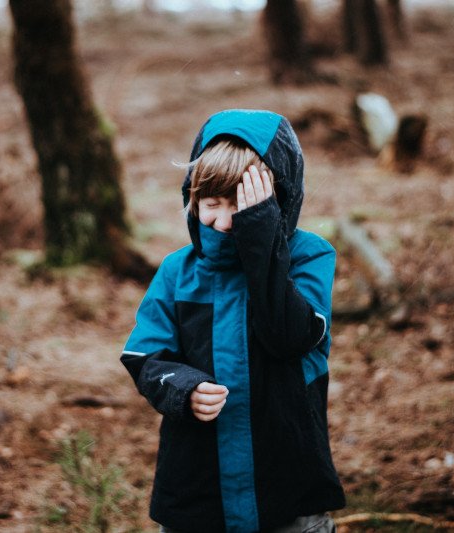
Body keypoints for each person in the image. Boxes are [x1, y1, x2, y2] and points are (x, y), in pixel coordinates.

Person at [120, 109, 345, 533]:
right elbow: (144, 354)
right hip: (196, 489)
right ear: (192, 200)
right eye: (211, 205)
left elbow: (290, 337)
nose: (224, 223)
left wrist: (261, 240)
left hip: (286, 482)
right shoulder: (177, 271)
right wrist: (182, 389)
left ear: (280, 200)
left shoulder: (310, 257)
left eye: (241, 207)